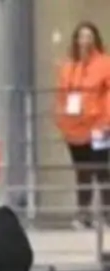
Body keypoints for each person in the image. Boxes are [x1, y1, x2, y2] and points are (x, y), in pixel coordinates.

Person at [55, 21, 110, 229]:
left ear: (95, 39)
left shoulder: (105, 63)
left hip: (100, 127)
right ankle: (83, 214)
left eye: (89, 36)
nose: (84, 40)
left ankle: (107, 214)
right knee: (82, 172)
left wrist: (107, 122)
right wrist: (61, 119)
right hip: (74, 129)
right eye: (81, 36)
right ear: (76, 40)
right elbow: (62, 96)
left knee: (102, 171)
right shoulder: (68, 66)